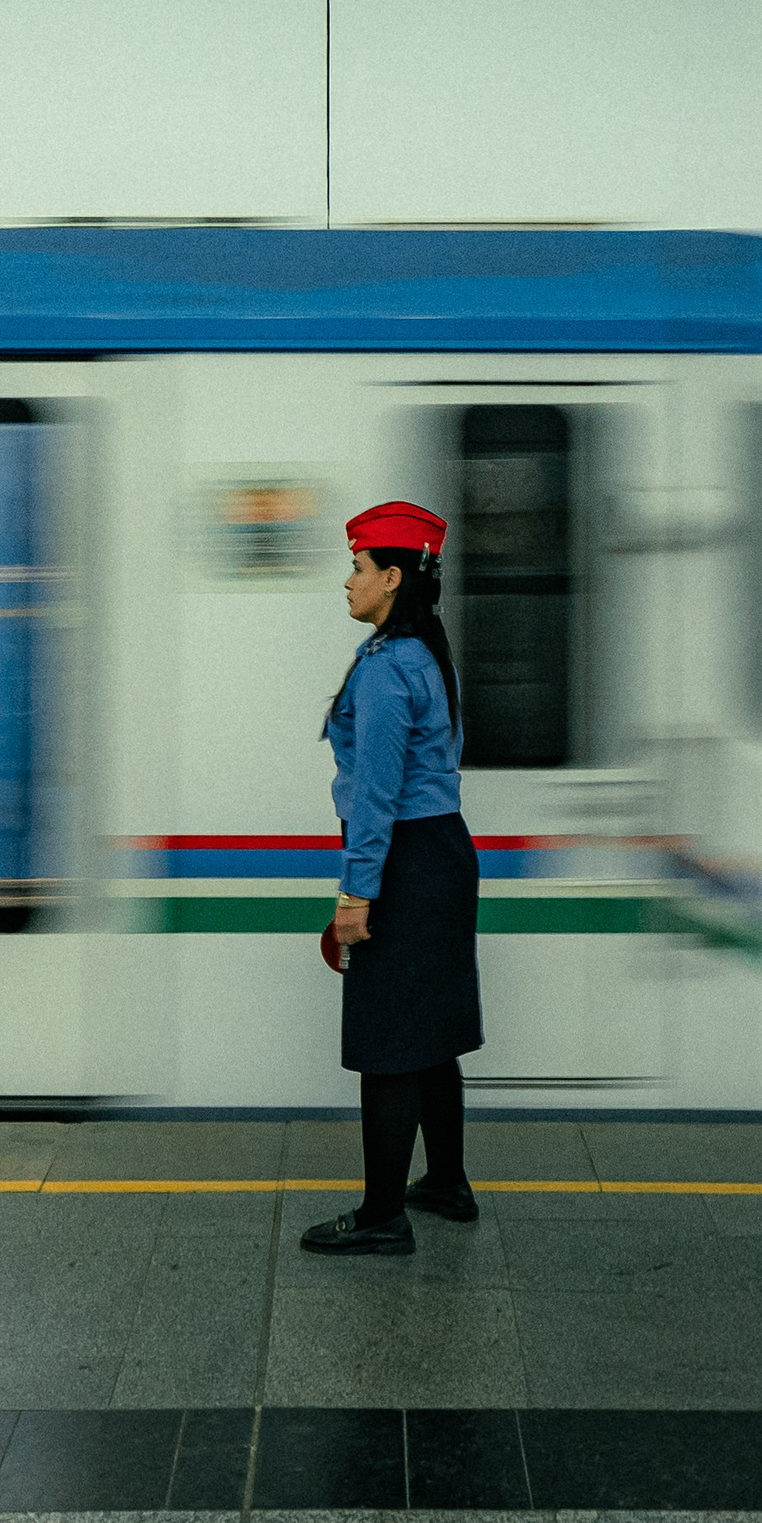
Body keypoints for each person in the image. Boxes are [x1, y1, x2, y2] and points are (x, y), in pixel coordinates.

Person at [300, 501, 484, 1256]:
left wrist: (355, 895)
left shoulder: (385, 670)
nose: (348, 582)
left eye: (358, 567)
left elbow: (376, 794)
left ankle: (382, 1212)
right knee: (432, 1033)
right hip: (443, 852)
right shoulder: (426, 654)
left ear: (393, 577)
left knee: (388, 1041)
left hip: (402, 861)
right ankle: (445, 1179)